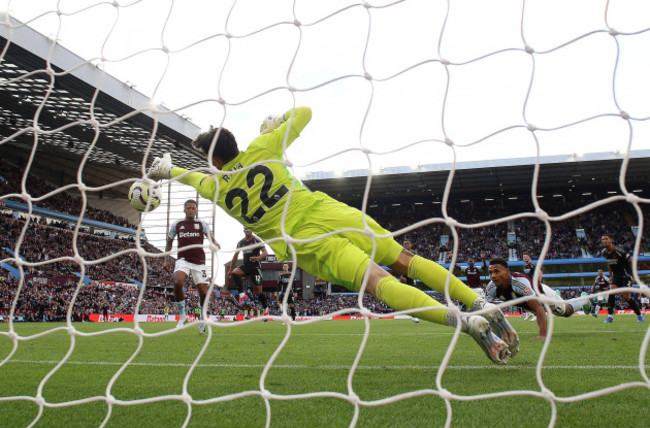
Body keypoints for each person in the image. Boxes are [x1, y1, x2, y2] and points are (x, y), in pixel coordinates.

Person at [148, 106, 519, 364]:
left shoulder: (217, 187)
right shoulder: (265, 147)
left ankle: (466, 324)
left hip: (304, 239)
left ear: (215, 161)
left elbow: (191, 177)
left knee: (378, 282)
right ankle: (476, 302)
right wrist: (276, 124)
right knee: (406, 260)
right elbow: (306, 113)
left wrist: (167, 170)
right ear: (236, 143)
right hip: (330, 211)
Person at [485, 258, 589, 340]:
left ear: (507, 272)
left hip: (543, 297)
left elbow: (539, 308)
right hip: (527, 303)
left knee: (567, 312)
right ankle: (558, 297)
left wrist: (542, 335)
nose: (493, 276)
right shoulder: (491, 288)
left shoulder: (520, 283)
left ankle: (583, 300)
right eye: (490, 273)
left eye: (496, 271)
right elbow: (487, 311)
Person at [164, 199, 219, 333]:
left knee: (204, 293)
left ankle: (202, 317)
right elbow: (169, 242)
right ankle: (183, 316)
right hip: (183, 260)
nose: (190, 210)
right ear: (184, 209)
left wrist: (215, 243)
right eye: (188, 208)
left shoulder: (201, 224)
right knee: (177, 281)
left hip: (199, 262)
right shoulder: (177, 224)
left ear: (196, 210)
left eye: (193, 208)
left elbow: (210, 237)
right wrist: (166, 259)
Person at [600, 234, 644, 323]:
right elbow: (609, 263)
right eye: (602, 239)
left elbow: (631, 262)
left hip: (626, 275)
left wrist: (634, 276)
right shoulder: (604, 252)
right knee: (611, 293)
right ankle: (610, 316)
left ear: (611, 240)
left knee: (626, 297)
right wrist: (611, 276)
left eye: (606, 239)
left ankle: (639, 315)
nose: (604, 240)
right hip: (616, 275)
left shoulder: (620, 251)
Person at [228, 228, 269, 314]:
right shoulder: (241, 243)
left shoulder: (257, 240)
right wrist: (230, 269)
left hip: (255, 267)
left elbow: (265, 253)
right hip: (246, 265)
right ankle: (242, 295)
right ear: (243, 230)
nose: (247, 230)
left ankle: (265, 307)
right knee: (235, 273)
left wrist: (257, 258)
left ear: (252, 230)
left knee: (258, 291)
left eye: (248, 229)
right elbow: (235, 256)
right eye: (245, 229)